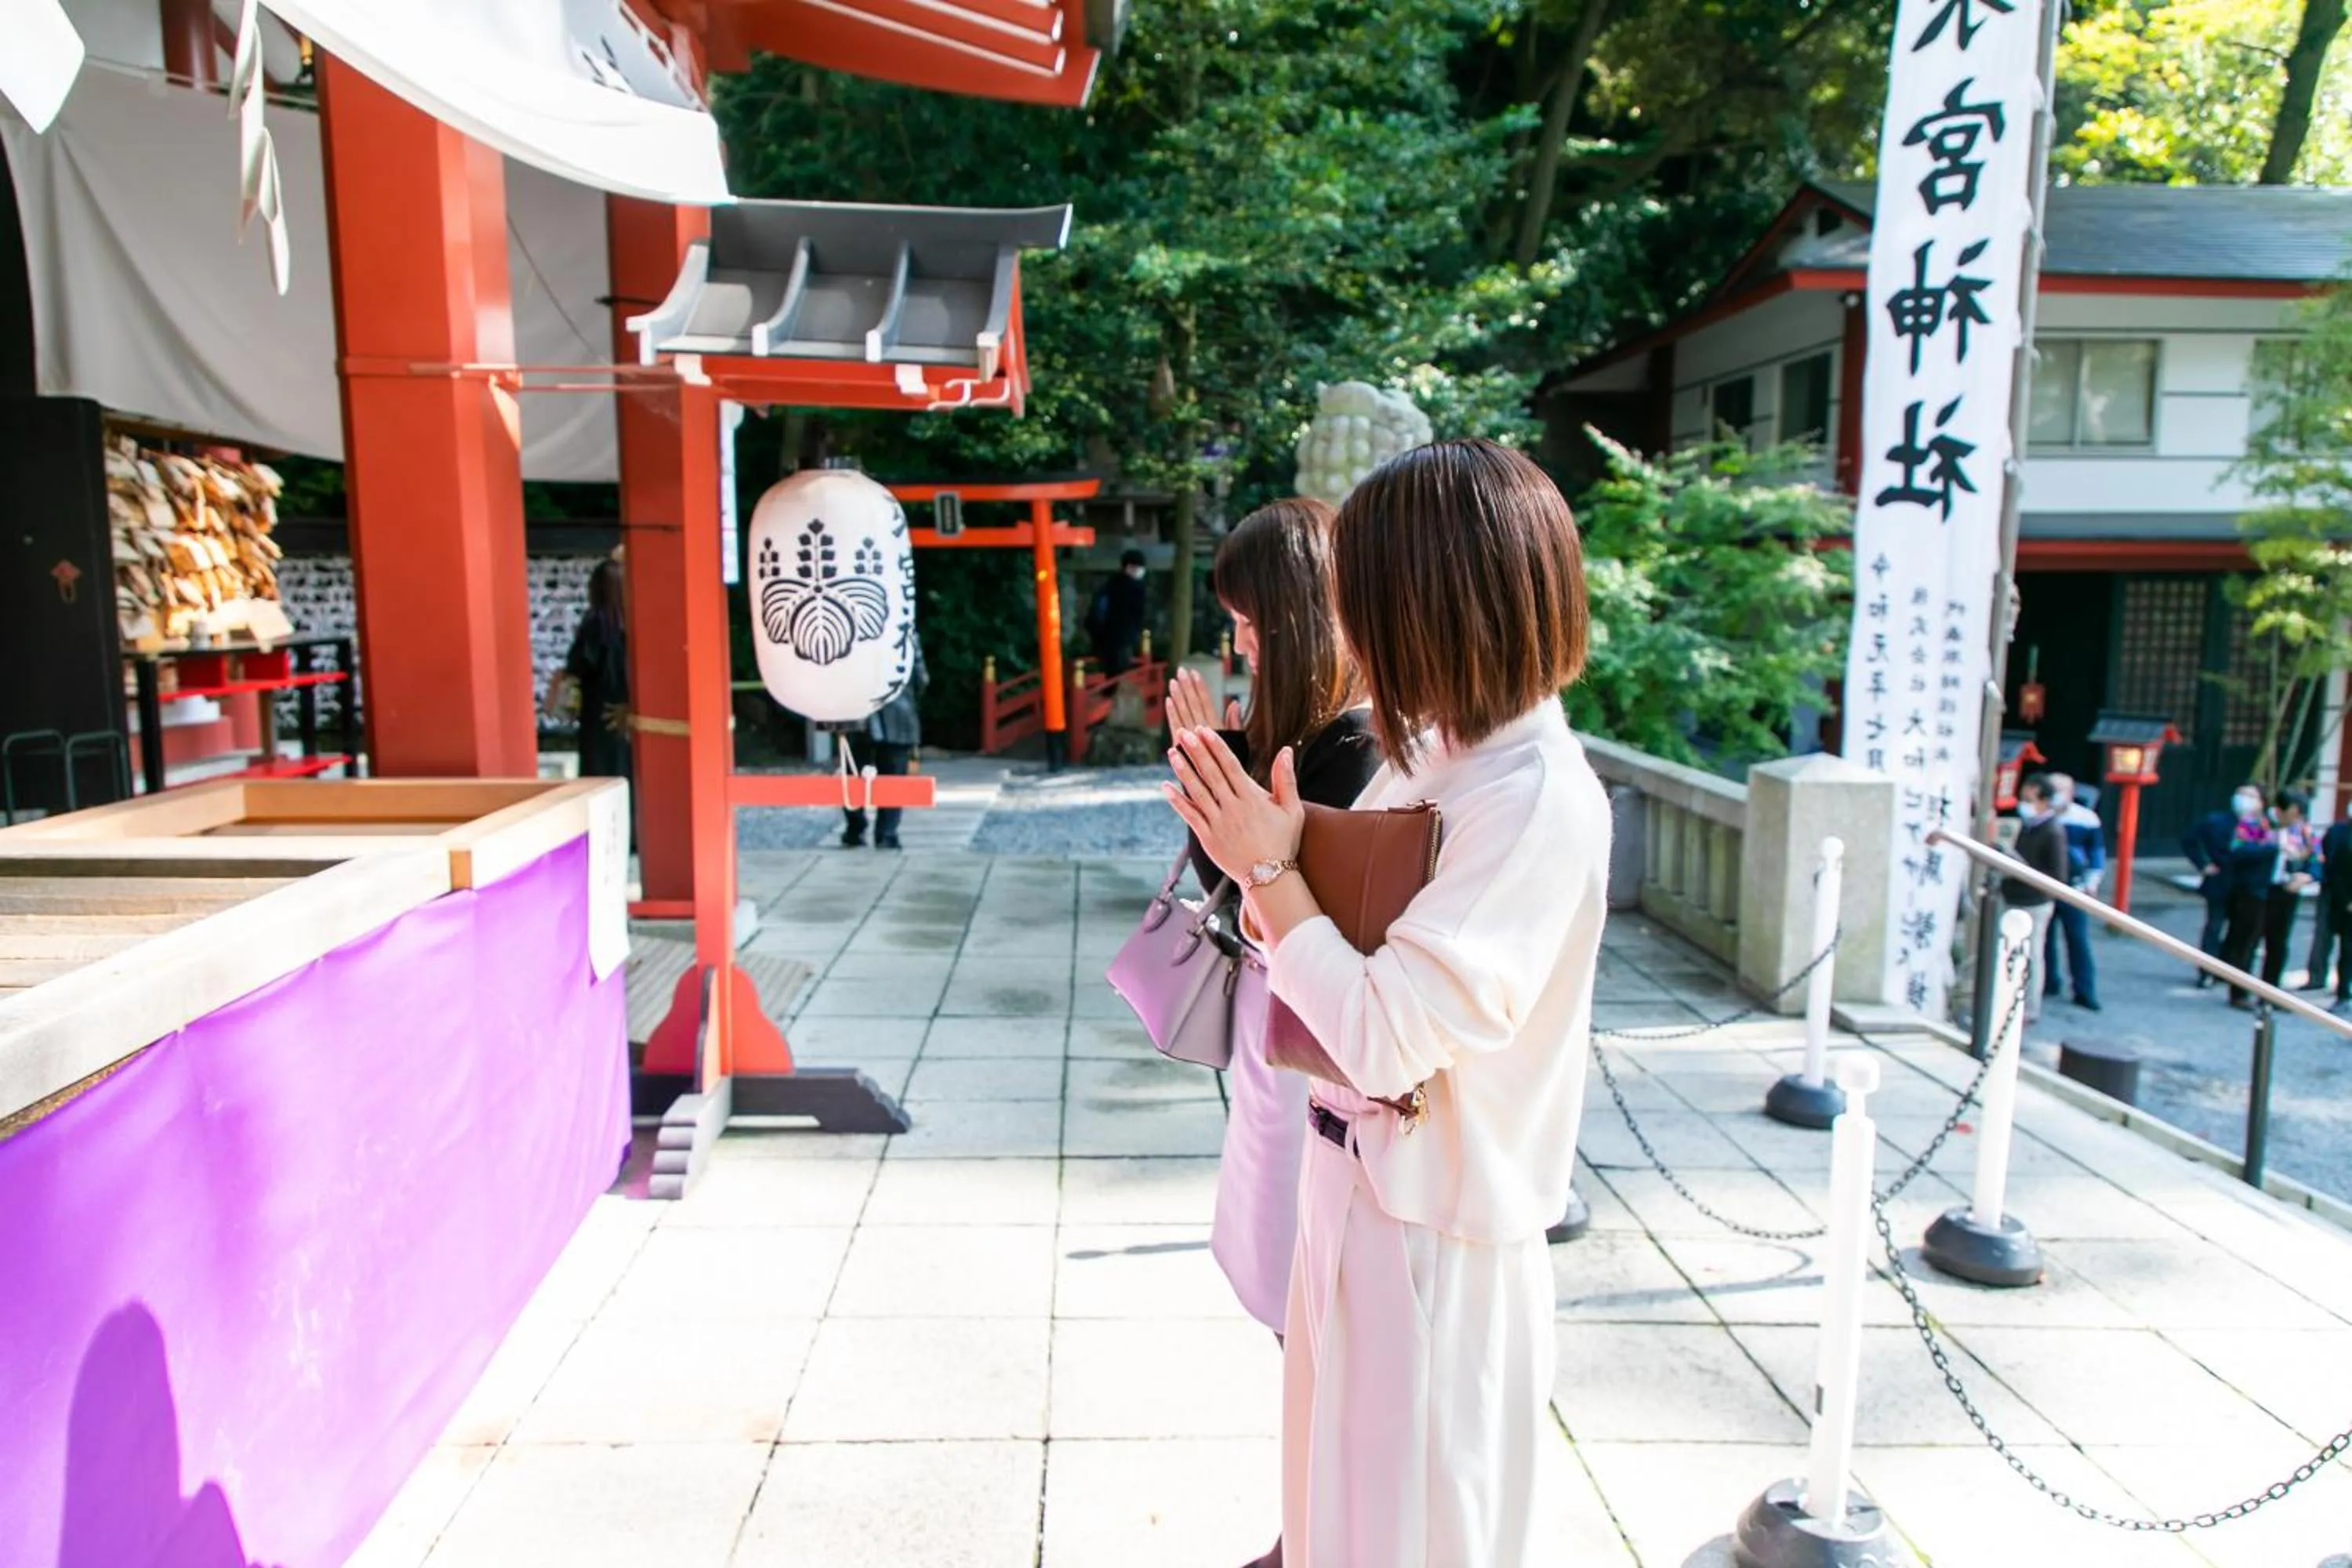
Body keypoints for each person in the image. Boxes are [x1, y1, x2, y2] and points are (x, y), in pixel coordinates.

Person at [1164, 438, 1607, 1568]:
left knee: (1403, 1535)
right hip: (1358, 1194)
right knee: (1335, 1521)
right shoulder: (1443, 751)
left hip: (1432, 1234)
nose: (1349, 634)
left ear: (1431, 606)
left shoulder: (1532, 795)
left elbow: (1380, 1035)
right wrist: (1259, 846)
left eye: (1363, 602)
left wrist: (1268, 868)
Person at [1163, 498, 1380, 1568]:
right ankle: (1310, 1527)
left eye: (1250, 621)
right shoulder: (1307, 734)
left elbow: (1268, 890)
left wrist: (1219, 786)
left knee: (1314, 1296)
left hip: (1312, 1046)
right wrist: (1210, 760)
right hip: (1276, 1031)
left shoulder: (1359, 751)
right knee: (1291, 1288)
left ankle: (1318, 1534)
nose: (1240, 642)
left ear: (1295, 617)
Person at [835, 638, 927, 851]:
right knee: (894, 779)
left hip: (859, 711)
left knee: (853, 774)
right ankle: (887, 833)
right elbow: (920, 677)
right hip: (899, 712)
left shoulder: (856, 628)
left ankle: (856, 828)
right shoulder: (905, 631)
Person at [544, 557, 631, 782]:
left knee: (599, 776)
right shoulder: (631, 624)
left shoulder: (595, 622)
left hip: (597, 711)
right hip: (626, 712)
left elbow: (580, 665)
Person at [2002, 775, 2071, 1025]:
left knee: (2032, 955)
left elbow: (2058, 875)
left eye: (2029, 797)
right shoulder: (2029, 825)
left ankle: (2030, 1008)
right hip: (2015, 894)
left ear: (2041, 798)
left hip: (2035, 900)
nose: (2024, 802)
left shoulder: (2052, 830)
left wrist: (2024, 869)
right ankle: (2010, 999)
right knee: (2012, 952)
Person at [2183, 787, 2263, 986]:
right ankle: (2207, 971)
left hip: (2247, 886)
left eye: (2251, 796)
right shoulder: (2216, 821)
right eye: (2242, 794)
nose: (2244, 799)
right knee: (2214, 927)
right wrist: (2203, 864)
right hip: (2220, 880)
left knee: (2239, 930)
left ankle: (2228, 969)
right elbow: (2189, 840)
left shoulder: (2263, 827)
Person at [2248, 789, 2321, 1002]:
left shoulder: (2303, 831)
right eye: (2296, 812)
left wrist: (2308, 876)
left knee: (2278, 943)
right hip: (2258, 890)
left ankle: (2270, 994)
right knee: (2249, 939)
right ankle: (2240, 990)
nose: (2299, 817)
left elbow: (2317, 859)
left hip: (2286, 892)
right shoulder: (2259, 825)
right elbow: (2240, 851)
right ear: (2286, 810)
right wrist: (2275, 848)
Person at [2042, 774, 2104, 1011]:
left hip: (2075, 886)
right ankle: (2048, 982)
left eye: (2061, 789)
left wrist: (2092, 882)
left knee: (2078, 939)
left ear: (2071, 792)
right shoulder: (2040, 815)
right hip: (2045, 884)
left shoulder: (2086, 818)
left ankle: (2084, 990)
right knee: (2045, 939)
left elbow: (2096, 853)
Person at [1084, 549, 1150, 674]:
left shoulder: (1114, 585)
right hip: (1115, 637)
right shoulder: (1121, 587)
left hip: (1118, 638)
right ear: (1128, 567)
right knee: (1118, 670)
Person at [2322, 810, 2352, 1008]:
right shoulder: (2340, 833)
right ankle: (2343, 992)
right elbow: (2334, 869)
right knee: (2347, 949)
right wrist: (2346, 901)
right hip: (2345, 901)